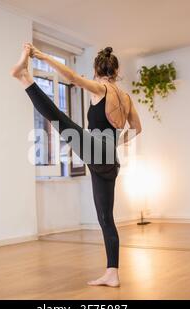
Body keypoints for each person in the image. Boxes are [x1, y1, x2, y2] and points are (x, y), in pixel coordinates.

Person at [11, 43, 142, 287]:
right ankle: (112, 273)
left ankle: (24, 77)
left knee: (60, 120)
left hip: (96, 152)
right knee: (105, 218)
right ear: (117, 70)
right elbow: (137, 128)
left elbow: (71, 77)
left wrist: (40, 55)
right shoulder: (126, 97)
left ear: (96, 69)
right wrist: (114, 143)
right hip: (109, 161)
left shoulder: (101, 88)